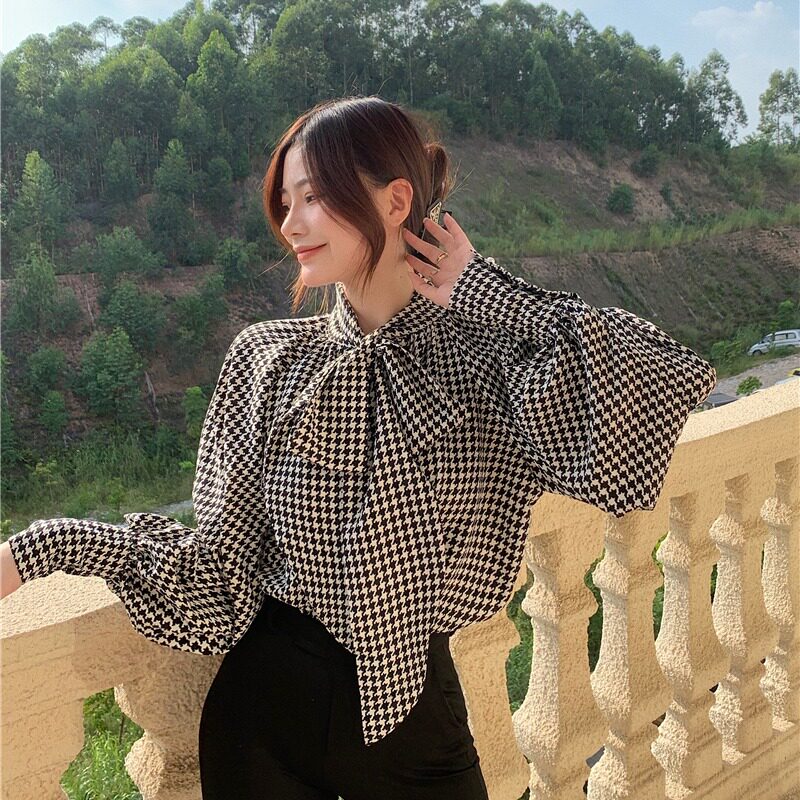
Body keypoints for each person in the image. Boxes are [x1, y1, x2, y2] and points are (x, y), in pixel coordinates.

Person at [1, 95, 717, 799]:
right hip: (261, 719)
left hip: (417, 717)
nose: (290, 222)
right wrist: (45, 548)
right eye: (285, 202)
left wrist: (485, 292)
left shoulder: (490, 358)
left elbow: (651, 391)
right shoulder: (267, 359)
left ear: (396, 199)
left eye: (313, 196)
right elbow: (217, 573)